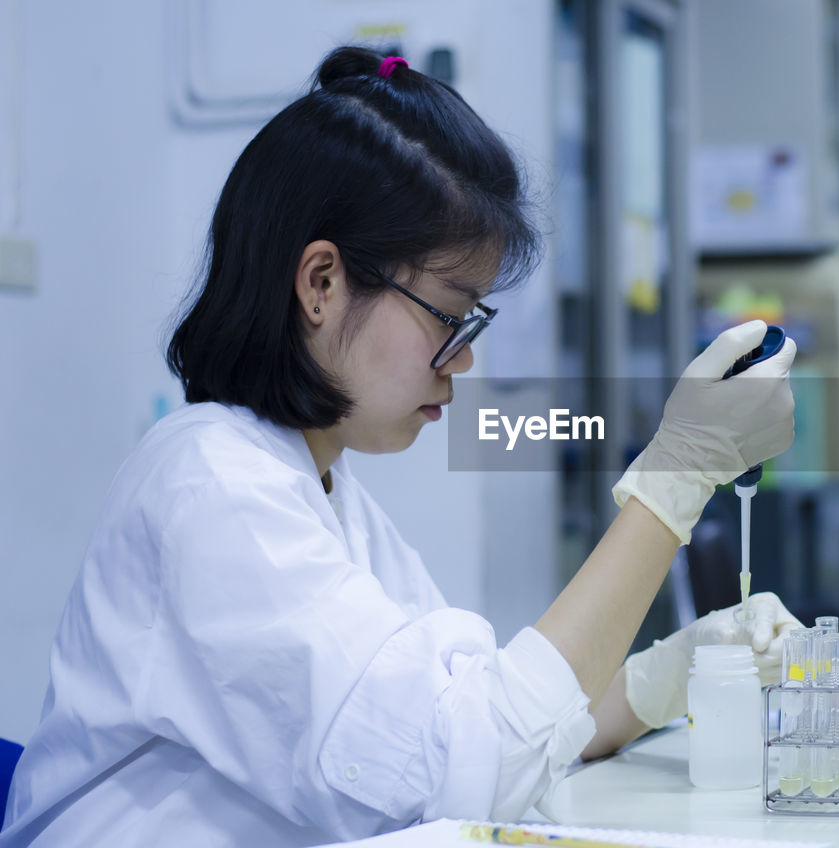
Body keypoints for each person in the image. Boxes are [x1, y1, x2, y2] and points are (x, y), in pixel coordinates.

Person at [0, 48, 798, 847]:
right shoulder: (211, 490)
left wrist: (664, 680)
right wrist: (676, 474)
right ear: (321, 283)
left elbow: (492, 723)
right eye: (450, 315)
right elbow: (462, 775)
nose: (465, 358)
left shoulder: (325, 491)